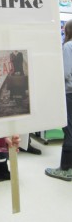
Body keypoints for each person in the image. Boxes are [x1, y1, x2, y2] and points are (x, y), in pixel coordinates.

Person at [45, 19, 72, 181]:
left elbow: (65, 72)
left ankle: (66, 168)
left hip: (70, 93)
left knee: (69, 129)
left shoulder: (68, 46)